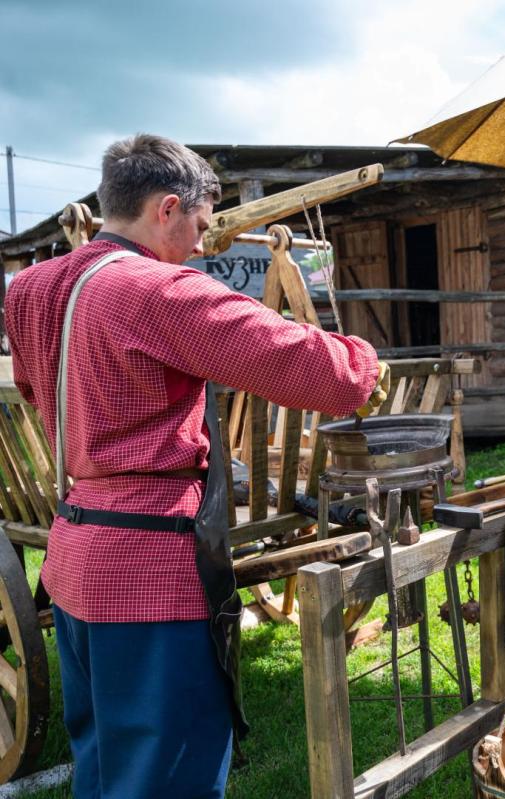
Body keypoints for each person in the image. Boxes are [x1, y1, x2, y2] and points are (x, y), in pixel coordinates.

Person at [5, 133, 388, 798]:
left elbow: (42, 394)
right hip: (151, 570)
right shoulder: (158, 290)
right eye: (202, 226)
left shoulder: (31, 289)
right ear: (167, 208)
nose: (202, 244)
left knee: (103, 768)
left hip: (73, 560)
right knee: (167, 775)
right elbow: (286, 354)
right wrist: (364, 367)